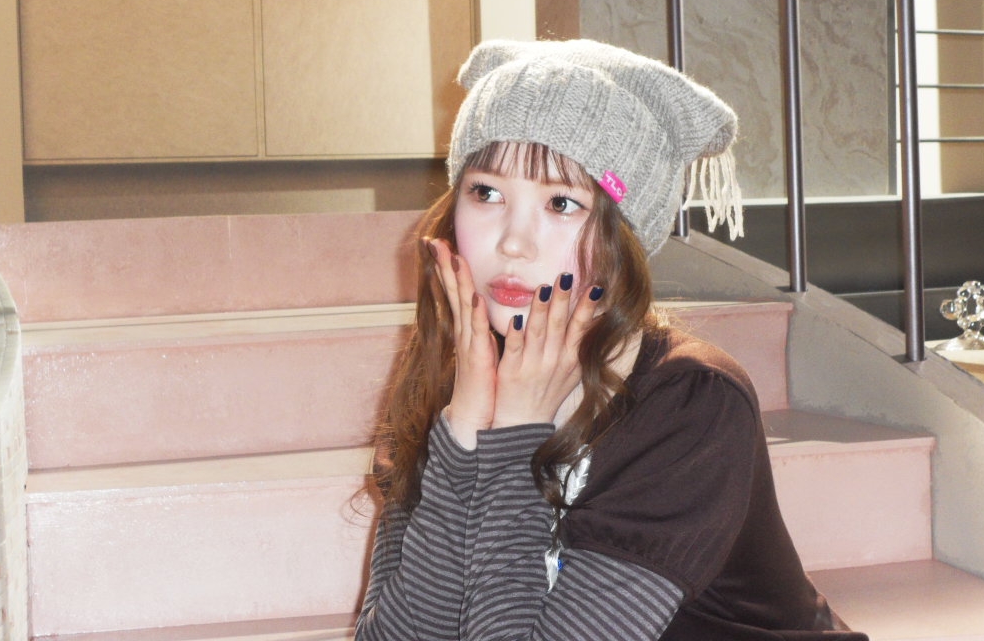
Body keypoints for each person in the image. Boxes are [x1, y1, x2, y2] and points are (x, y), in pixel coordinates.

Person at [355, 39, 866, 640]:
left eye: (561, 202)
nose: (513, 242)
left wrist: (515, 431)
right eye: (486, 192)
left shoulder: (692, 402)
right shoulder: (448, 378)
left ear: (624, 239)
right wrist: (464, 429)